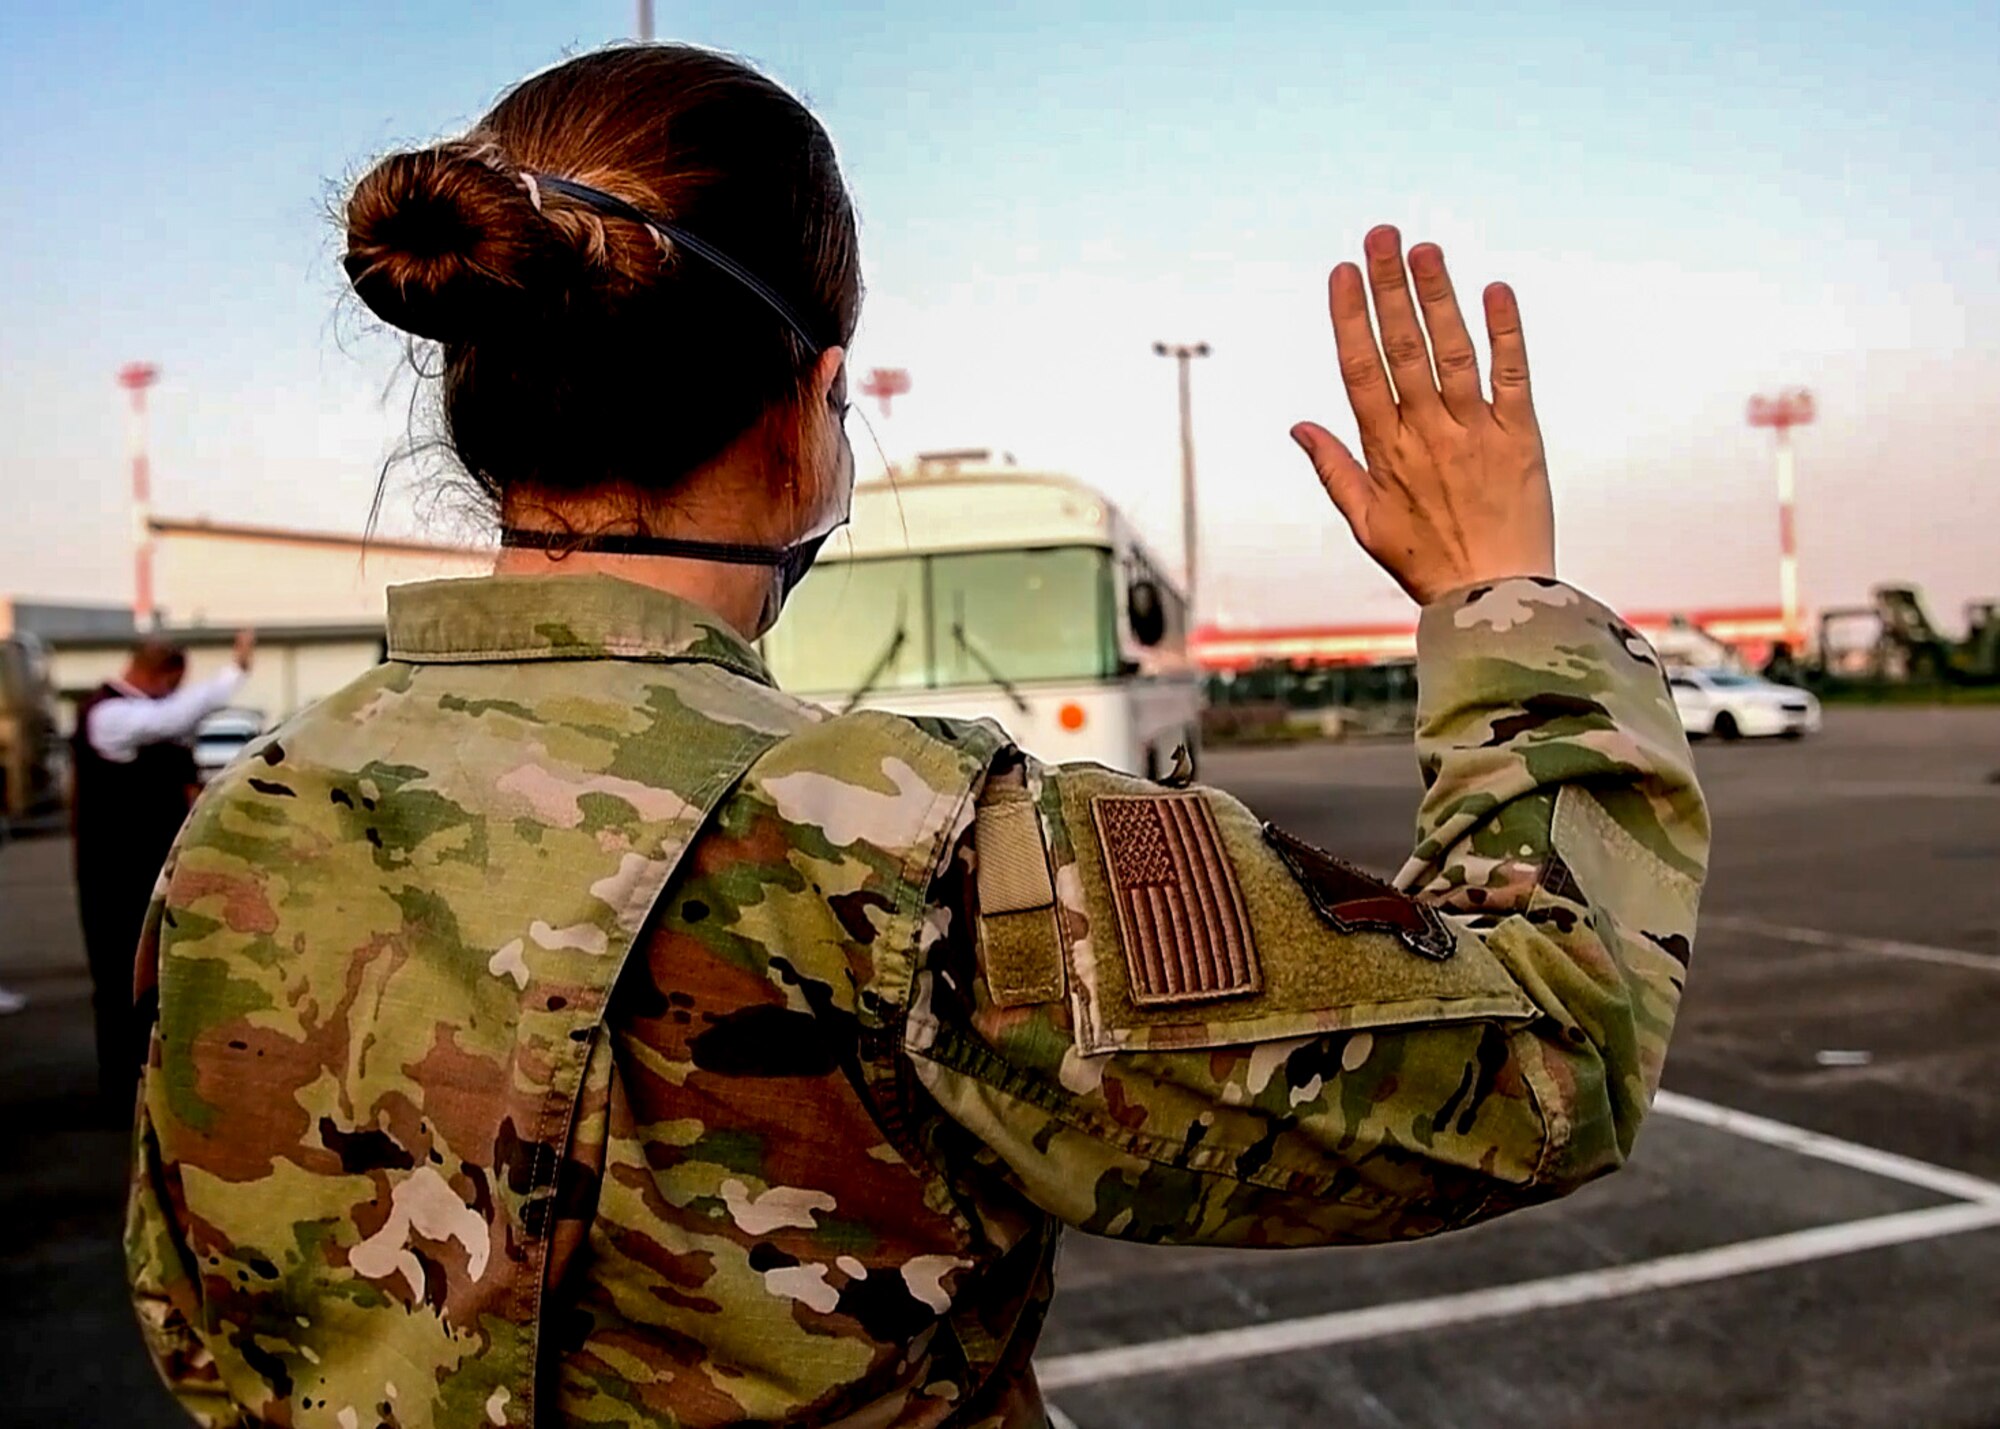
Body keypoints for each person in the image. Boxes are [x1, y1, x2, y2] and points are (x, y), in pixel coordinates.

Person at [126, 45, 1707, 1429]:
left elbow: (196, 1319)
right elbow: (1554, 1056)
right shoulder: (913, 842)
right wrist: (1504, 599)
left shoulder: (246, 821)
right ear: (811, 414)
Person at [73, 629, 253, 1112]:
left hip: (144, 872)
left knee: (158, 976)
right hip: (115, 876)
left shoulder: (125, 715)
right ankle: (124, 1090)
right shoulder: (109, 715)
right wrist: (234, 670)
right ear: (163, 674)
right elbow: (171, 718)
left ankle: (152, 1082)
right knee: (119, 981)